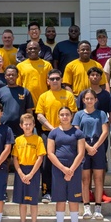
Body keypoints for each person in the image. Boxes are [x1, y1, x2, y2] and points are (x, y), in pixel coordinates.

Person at [34, 70, 77, 202]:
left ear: (61, 79)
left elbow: (73, 113)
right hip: (48, 133)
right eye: (52, 79)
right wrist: (53, 129)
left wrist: (64, 127)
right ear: (47, 81)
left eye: (57, 78)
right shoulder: (43, 96)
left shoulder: (68, 95)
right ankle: (47, 192)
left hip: (67, 132)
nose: (54, 81)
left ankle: (67, 191)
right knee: (47, 163)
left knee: (67, 161)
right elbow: (40, 115)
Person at [48, 106, 86, 222]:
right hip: (59, 169)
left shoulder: (78, 133)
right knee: (60, 199)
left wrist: (71, 170)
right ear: (58, 117)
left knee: (74, 199)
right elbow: (50, 153)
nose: (65, 117)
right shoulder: (53, 133)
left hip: (74, 168)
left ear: (71, 116)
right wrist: (64, 169)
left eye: (67, 114)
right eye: (62, 114)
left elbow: (81, 153)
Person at [73, 89, 110, 219]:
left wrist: (95, 146)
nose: (89, 101)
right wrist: (87, 147)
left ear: (96, 100)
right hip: (84, 146)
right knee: (85, 179)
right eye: (86, 98)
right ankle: (87, 207)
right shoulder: (78, 115)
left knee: (99, 179)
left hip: (98, 145)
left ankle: (98, 207)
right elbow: (77, 132)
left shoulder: (101, 114)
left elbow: (105, 131)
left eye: (91, 98)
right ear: (83, 100)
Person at [12, 113, 46, 222]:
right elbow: (15, 158)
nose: (27, 126)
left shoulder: (38, 139)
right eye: (25, 124)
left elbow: (40, 157)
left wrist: (31, 174)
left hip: (33, 171)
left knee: (33, 200)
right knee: (22, 200)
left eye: (30, 124)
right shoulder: (18, 140)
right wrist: (21, 173)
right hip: (21, 170)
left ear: (33, 125)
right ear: (21, 126)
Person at [0, 65, 34, 138]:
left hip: (21, 130)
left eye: (13, 75)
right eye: (8, 75)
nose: (11, 76)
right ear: (5, 76)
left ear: (17, 76)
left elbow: (29, 111)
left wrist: (30, 128)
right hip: (3, 129)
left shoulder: (25, 92)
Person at [16, 40, 53, 108]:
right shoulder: (20, 66)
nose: (32, 50)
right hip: (26, 103)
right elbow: (18, 86)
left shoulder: (47, 65)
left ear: (39, 50)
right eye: (30, 48)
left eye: (35, 48)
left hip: (43, 103)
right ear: (26, 50)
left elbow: (51, 85)